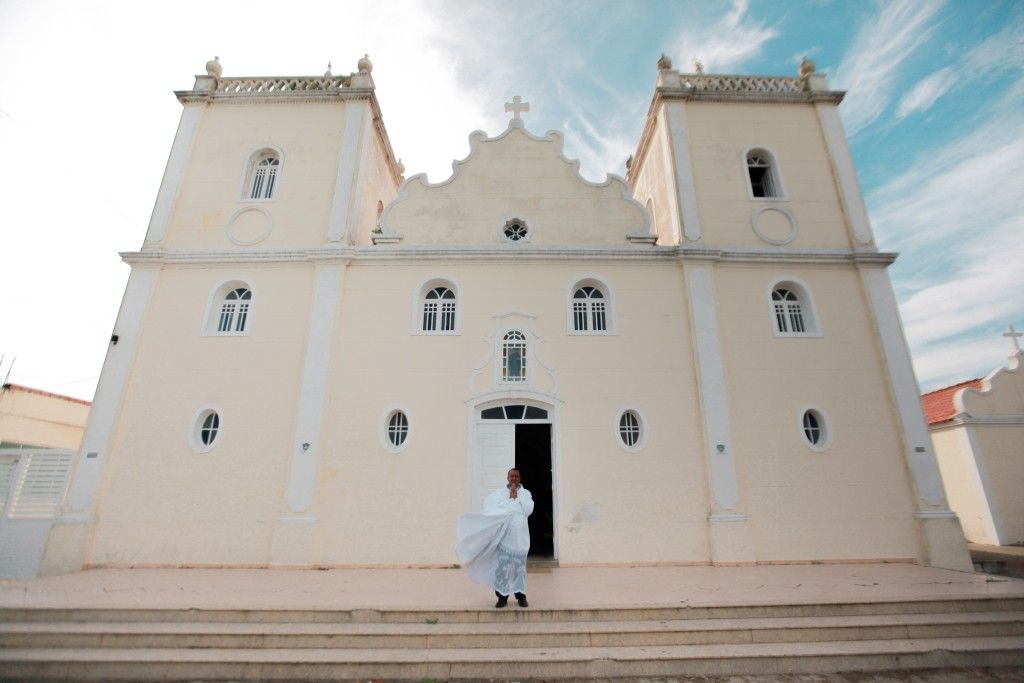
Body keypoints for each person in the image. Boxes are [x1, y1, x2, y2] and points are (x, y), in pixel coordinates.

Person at [455, 468, 534, 608]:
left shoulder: (526, 494)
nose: (514, 478)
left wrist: (516, 499)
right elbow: (494, 509)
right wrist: (513, 501)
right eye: (512, 476)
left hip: (520, 539)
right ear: (507, 478)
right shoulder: (499, 493)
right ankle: (502, 597)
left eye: (516, 476)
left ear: (520, 478)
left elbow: (528, 509)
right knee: (502, 567)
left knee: (519, 569)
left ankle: (520, 595)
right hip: (505, 538)